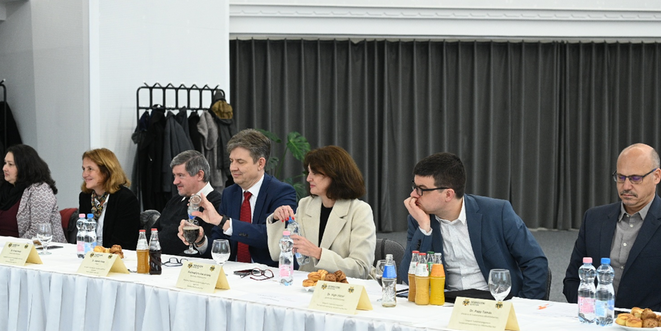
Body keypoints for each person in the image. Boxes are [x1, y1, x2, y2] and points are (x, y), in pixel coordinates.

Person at [563, 143, 661, 314]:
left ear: (656, 176)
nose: (626, 186)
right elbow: (573, 280)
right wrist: (593, 311)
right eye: (621, 177)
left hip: (653, 325)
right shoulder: (594, 218)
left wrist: (643, 319)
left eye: (635, 178)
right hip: (596, 320)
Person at [400, 152, 549, 299]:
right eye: (414, 187)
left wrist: (523, 305)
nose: (413, 195)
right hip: (447, 303)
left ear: (448, 194)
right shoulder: (419, 220)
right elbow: (408, 277)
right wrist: (424, 229)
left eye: (421, 189)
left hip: (495, 301)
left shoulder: (497, 213)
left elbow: (535, 262)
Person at [185, 129, 297, 266]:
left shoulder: (282, 192)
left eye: (240, 162)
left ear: (260, 163)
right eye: (231, 161)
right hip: (233, 272)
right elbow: (220, 243)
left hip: (269, 273)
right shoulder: (229, 194)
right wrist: (200, 240)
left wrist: (223, 222)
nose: (233, 167)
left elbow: (271, 237)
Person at [266, 146, 376, 279]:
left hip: (345, 287)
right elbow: (277, 254)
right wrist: (277, 219)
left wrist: (318, 253)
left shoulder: (360, 211)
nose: (308, 178)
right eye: (309, 172)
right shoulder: (305, 205)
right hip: (309, 285)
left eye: (315, 173)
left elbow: (360, 269)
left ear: (335, 175)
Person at [152, 150, 221, 255]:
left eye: (181, 175)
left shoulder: (217, 204)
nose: (175, 182)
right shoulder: (175, 200)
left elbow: (211, 250)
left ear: (200, 175)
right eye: (174, 176)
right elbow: (153, 232)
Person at [0, 144, 66, 242]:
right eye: (5, 163)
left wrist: (12, 247)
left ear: (24, 167)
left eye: (10, 164)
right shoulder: (4, 189)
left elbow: (37, 231)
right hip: (4, 247)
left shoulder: (40, 190)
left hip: (41, 248)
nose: (4, 168)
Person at [79, 148, 140, 250]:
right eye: (83, 169)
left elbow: (122, 243)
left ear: (106, 171)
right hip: (90, 254)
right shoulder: (85, 197)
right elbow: (83, 236)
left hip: (115, 256)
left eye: (90, 169)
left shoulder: (126, 199)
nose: (84, 175)